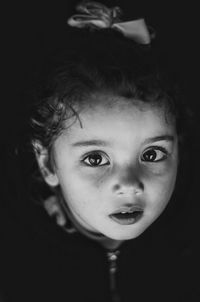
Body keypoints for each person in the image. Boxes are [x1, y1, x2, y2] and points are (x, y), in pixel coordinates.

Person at [1, 1, 199, 302]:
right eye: (95, 159)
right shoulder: (14, 255)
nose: (130, 184)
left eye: (152, 154)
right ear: (47, 165)